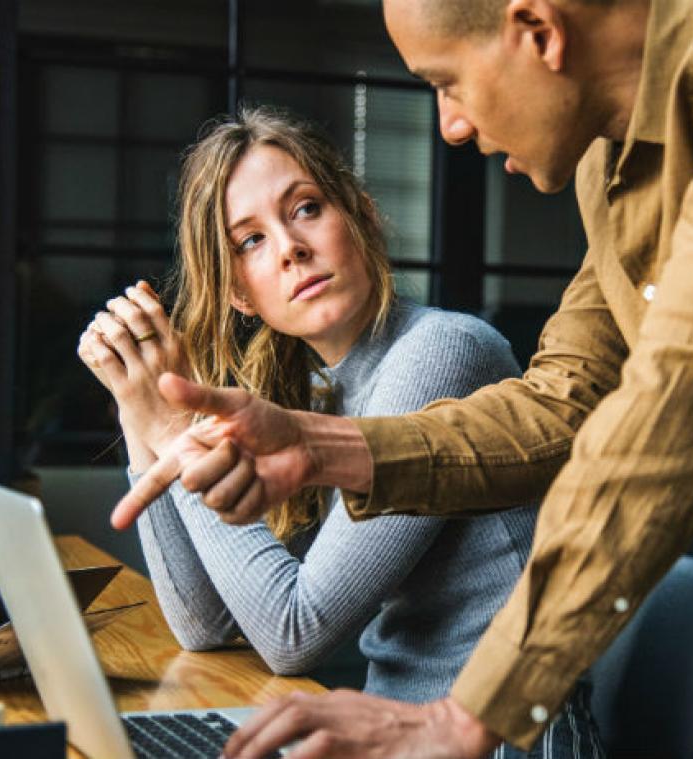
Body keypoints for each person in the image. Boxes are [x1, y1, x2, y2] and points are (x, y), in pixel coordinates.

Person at [113, 0, 693, 757]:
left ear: (535, 30)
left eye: (446, 80)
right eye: (250, 241)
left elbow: (682, 404)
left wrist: (466, 716)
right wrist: (315, 442)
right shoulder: (615, 166)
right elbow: (562, 400)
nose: (449, 123)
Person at [77, 106, 604, 759]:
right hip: (399, 738)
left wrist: (175, 429)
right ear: (241, 292)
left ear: (361, 216)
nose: (291, 248)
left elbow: (291, 629)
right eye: (251, 240)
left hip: (504, 743)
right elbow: (205, 624)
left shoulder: (441, 352)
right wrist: (139, 410)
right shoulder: (327, 391)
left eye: (304, 209)